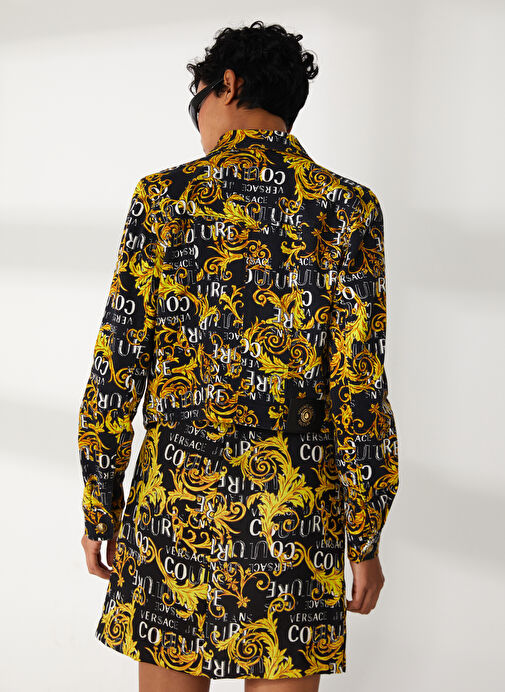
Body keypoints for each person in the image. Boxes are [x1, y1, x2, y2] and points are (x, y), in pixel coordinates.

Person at [77, 19, 399, 692]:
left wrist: (100, 507)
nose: (196, 118)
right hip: (295, 508)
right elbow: (360, 387)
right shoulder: (347, 209)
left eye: (196, 98)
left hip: (175, 504)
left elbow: (116, 367)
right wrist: (364, 534)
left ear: (226, 84)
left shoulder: (163, 200)